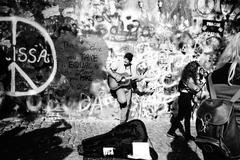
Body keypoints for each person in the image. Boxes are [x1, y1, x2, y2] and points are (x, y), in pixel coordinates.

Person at [167, 61, 203, 141]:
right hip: (185, 98)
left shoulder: (186, 76)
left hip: (185, 98)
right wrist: (200, 86)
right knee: (181, 117)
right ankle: (171, 132)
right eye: (196, 69)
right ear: (193, 69)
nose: (197, 71)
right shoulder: (189, 78)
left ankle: (187, 134)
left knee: (187, 117)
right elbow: (195, 88)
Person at [107, 52, 143, 123]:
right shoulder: (118, 63)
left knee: (126, 105)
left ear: (130, 61)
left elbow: (133, 79)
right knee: (123, 101)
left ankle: (122, 122)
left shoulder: (132, 67)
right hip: (119, 87)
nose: (126, 61)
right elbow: (109, 70)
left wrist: (138, 79)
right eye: (125, 59)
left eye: (128, 60)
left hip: (128, 88)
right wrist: (116, 76)